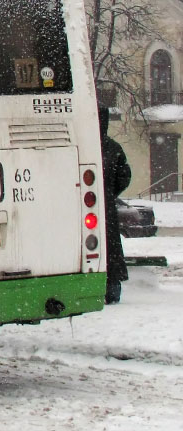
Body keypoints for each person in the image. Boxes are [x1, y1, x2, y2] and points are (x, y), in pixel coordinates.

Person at [99, 107, 131, 304]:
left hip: (87, 204)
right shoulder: (113, 147)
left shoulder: (85, 144)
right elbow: (124, 176)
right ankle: (112, 288)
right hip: (107, 206)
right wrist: (110, 193)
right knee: (110, 248)